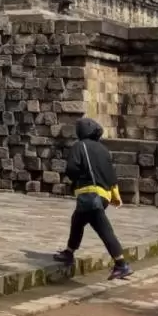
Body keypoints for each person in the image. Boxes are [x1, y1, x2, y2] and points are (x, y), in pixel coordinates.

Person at [53, 117, 133, 280]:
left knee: (104, 229)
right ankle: (69, 252)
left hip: (90, 194)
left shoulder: (79, 146)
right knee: (77, 220)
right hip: (103, 195)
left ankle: (121, 264)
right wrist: (115, 195)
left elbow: (71, 168)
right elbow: (111, 174)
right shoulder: (103, 150)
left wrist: (76, 178)